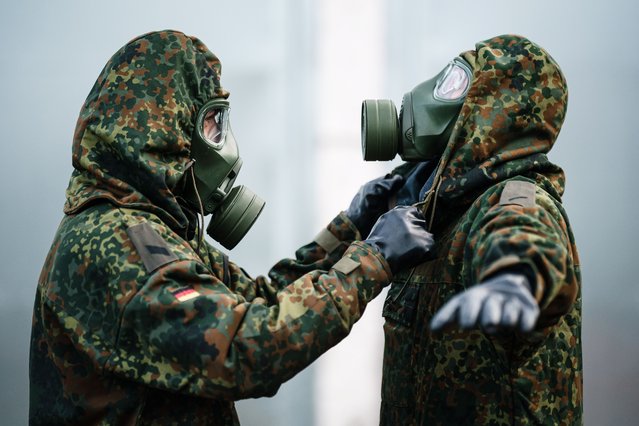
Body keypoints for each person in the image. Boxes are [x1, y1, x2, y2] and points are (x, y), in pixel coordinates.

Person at [29, 30, 435, 425]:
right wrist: (373, 260)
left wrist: (352, 227)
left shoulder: (152, 226)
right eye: (212, 124)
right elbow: (246, 348)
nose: (224, 143)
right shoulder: (118, 244)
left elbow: (265, 297)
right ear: (164, 127)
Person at [360, 35, 582, 424]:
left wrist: (513, 283)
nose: (434, 95)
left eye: (456, 84)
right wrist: (352, 223)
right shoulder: (442, 208)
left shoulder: (515, 197)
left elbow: (525, 238)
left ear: (494, 110)